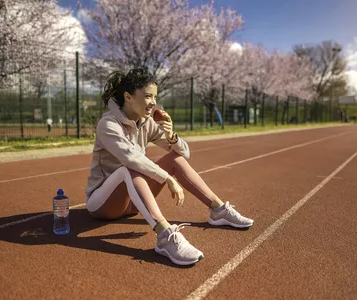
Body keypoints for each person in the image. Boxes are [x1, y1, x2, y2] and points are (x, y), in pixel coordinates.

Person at [85, 68, 254, 266]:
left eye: (155, 97)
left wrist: (172, 136)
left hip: (132, 202)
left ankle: (218, 210)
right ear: (128, 96)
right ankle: (165, 236)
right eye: (148, 96)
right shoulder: (108, 125)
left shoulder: (146, 123)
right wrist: (166, 178)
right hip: (103, 204)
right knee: (128, 169)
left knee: (174, 159)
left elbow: (184, 154)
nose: (153, 102)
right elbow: (130, 158)